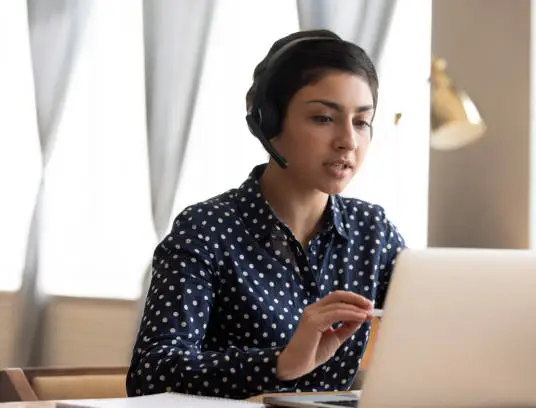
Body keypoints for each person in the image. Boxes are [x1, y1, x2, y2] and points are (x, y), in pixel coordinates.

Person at [126, 29, 406, 400]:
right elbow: (151, 374)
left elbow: (433, 335)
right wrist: (280, 363)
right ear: (268, 122)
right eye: (324, 118)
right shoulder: (206, 230)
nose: (348, 141)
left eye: (361, 122)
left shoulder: (373, 231)